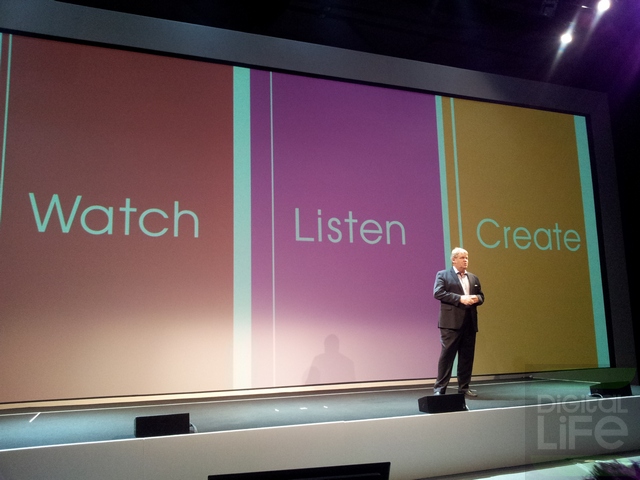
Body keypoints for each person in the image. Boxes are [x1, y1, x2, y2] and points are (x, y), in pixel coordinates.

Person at [432, 247, 484, 397]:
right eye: (462, 258)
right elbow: (438, 293)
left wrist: (476, 298)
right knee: (447, 356)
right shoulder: (443, 275)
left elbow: (481, 296)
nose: (465, 260)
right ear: (454, 260)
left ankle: (464, 388)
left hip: (469, 323)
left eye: (466, 257)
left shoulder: (473, 278)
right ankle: (440, 389)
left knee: (467, 357)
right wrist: (460, 299)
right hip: (450, 323)